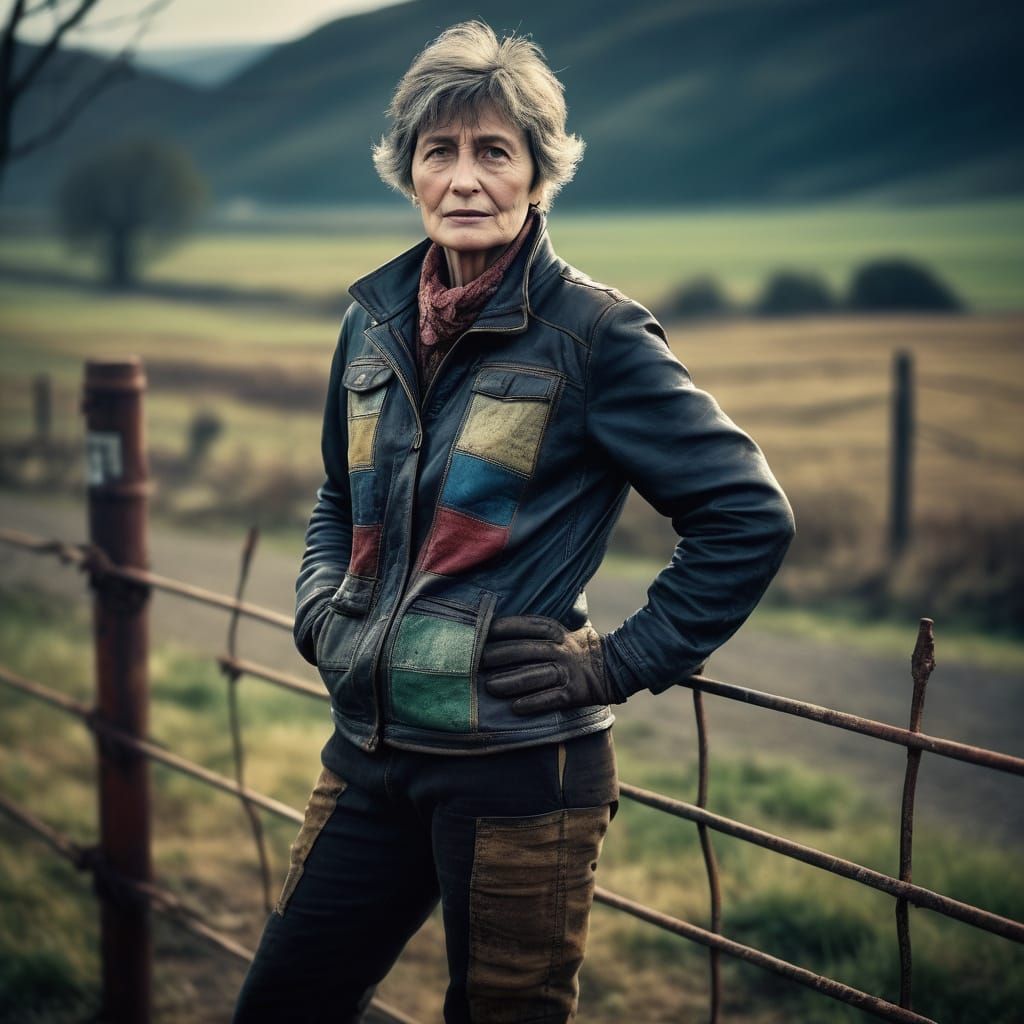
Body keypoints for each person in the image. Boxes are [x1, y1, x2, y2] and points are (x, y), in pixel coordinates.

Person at [232, 19, 794, 1024]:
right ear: (406, 170)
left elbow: (745, 515)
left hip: (521, 773)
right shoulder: (371, 320)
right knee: (280, 1004)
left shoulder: (596, 336)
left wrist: (614, 663)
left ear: (540, 172)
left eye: (494, 151)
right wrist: (323, 609)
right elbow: (336, 493)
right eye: (438, 152)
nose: (463, 179)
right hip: (368, 754)